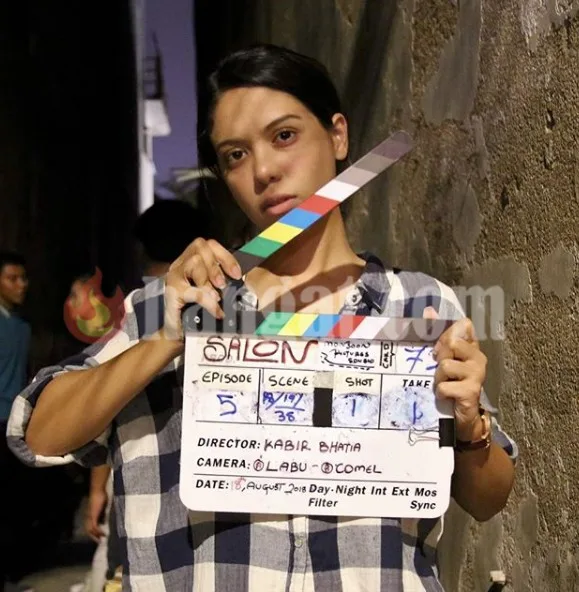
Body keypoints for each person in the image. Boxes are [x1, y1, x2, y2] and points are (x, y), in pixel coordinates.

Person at [7, 44, 517, 591]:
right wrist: (166, 340)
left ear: (338, 135)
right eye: (235, 155)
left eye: (284, 135)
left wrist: (470, 428)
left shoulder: (419, 304)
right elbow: (38, 435)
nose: (265, 171)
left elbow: (488, 499)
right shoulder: (171, 305)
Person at [0, 251, 34, 592]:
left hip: (13, 425)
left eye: (23, 278)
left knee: (12, 502)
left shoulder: (22, 328)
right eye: (12, 278)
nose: (21, 285)